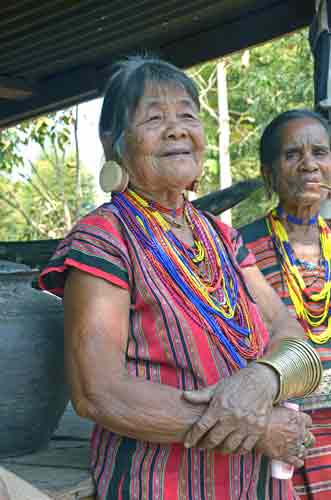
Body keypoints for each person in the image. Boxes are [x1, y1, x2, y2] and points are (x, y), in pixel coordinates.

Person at [39, 57, 321, 500]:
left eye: (187, 115)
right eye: (154, 118)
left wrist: (264, 378)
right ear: (112, 142)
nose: (176, 129)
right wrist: (257, 424)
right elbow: (99, 393)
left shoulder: (224, 238)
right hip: (162, 484)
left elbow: (293, 339)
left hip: (255, 485)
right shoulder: (104, 239)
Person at [241, 109, 331, 499]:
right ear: (268, 174)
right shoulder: (238, 250)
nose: (309, 164)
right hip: (280, 438)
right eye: (292, 154)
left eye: (320, 152)